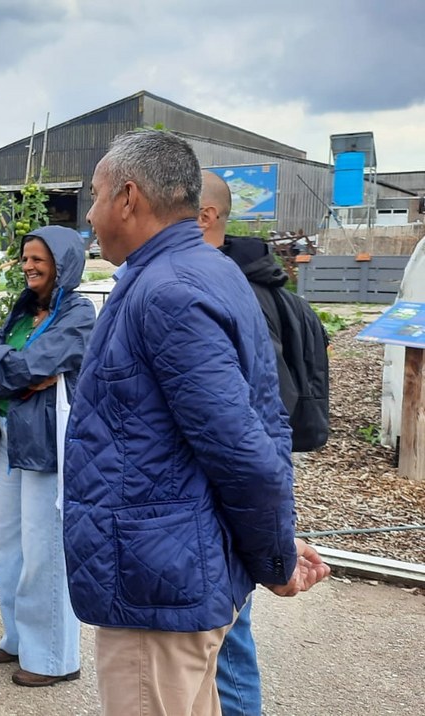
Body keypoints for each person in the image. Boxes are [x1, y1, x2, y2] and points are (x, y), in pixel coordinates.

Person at [63, 130, 329, 716]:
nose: (91, 214)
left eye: (96, 196)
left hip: (158, 586)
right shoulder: (206, 270)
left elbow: (243, 450)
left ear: (128, 198)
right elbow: (254, 423)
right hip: (175, 567)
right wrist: (274, 542)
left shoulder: (168, 291)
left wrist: (276, 558)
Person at [198, 171, 331, 716]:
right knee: (228, 626)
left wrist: (273, 532)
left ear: (205, 216)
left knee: (229, 633)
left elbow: (255, 415)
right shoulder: (260, 282)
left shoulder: (231, 292)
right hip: (249, 478)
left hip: (234, 482)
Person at [0, 226, 95, 687]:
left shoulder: (78, 313)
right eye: (25, 258)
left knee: (45, 548)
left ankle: (53, 658)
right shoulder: (22, 311)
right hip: (10, 436)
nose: (28, 266)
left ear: (63, 264)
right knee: (7, 544)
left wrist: (13, 367)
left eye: (38, 258)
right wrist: (18, 371)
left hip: (46, 442)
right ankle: (19, 637)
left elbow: (33, 363)